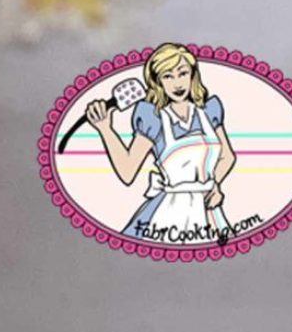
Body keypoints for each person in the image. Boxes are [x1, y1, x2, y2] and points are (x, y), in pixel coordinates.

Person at [85, 42, 238, 245]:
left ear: (193, 75)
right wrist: (105, 129)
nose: (177, 83)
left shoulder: (209, 111)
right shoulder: (153, 118)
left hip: (210, 210)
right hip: (168, 211)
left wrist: (214, 186)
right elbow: (127, 170)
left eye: (182, 73)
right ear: (157, 82)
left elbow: (227, 156)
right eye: (168, 76)